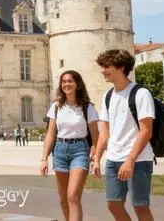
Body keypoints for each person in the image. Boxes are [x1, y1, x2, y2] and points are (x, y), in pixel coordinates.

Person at [92, 49, 155, 221]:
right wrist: (97, 158)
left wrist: (130, 160)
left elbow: (146, 131)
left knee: (140, 206)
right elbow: (105, 132)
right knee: (113, 205)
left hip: (138, 160)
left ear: (120, 67)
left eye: (106, 66)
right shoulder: (108, 96)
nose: (102, 70)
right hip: (113, 159)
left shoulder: (141, 93)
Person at [40, 70, 99, 221]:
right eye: (63, 81)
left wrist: (95, 153)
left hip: (80, 150)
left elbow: (95, 134)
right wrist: (44, 158)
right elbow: (51, 134)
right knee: (63, 198)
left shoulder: (87, 107)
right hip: (59, 150)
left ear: (78, 84)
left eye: (70, 81)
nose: (66, 84)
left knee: (73, 195)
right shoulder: (56, 106)